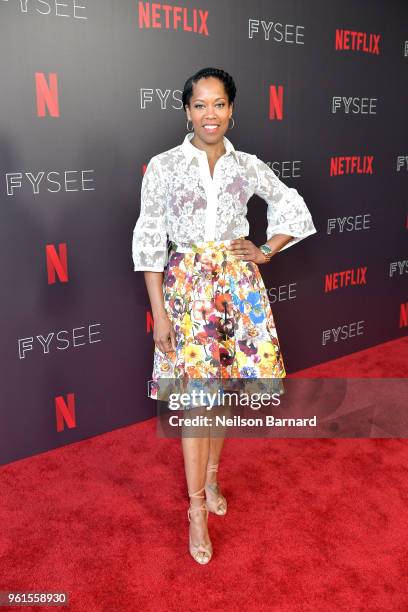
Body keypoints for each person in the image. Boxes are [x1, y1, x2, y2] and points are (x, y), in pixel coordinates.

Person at [132, 67, 317, 565]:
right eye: (199, 105)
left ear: (231, 110)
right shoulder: (164, 165)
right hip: (187, 293)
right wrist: (160, 316)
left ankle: (212, 481)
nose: (209, 114)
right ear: (186, 110)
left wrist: (266, 250)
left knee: (220, 397)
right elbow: (149, 242)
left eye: (218, 104)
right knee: (196, 405)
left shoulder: (248, 165)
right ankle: (195, 511)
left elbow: (292, 208)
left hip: (236, 288)